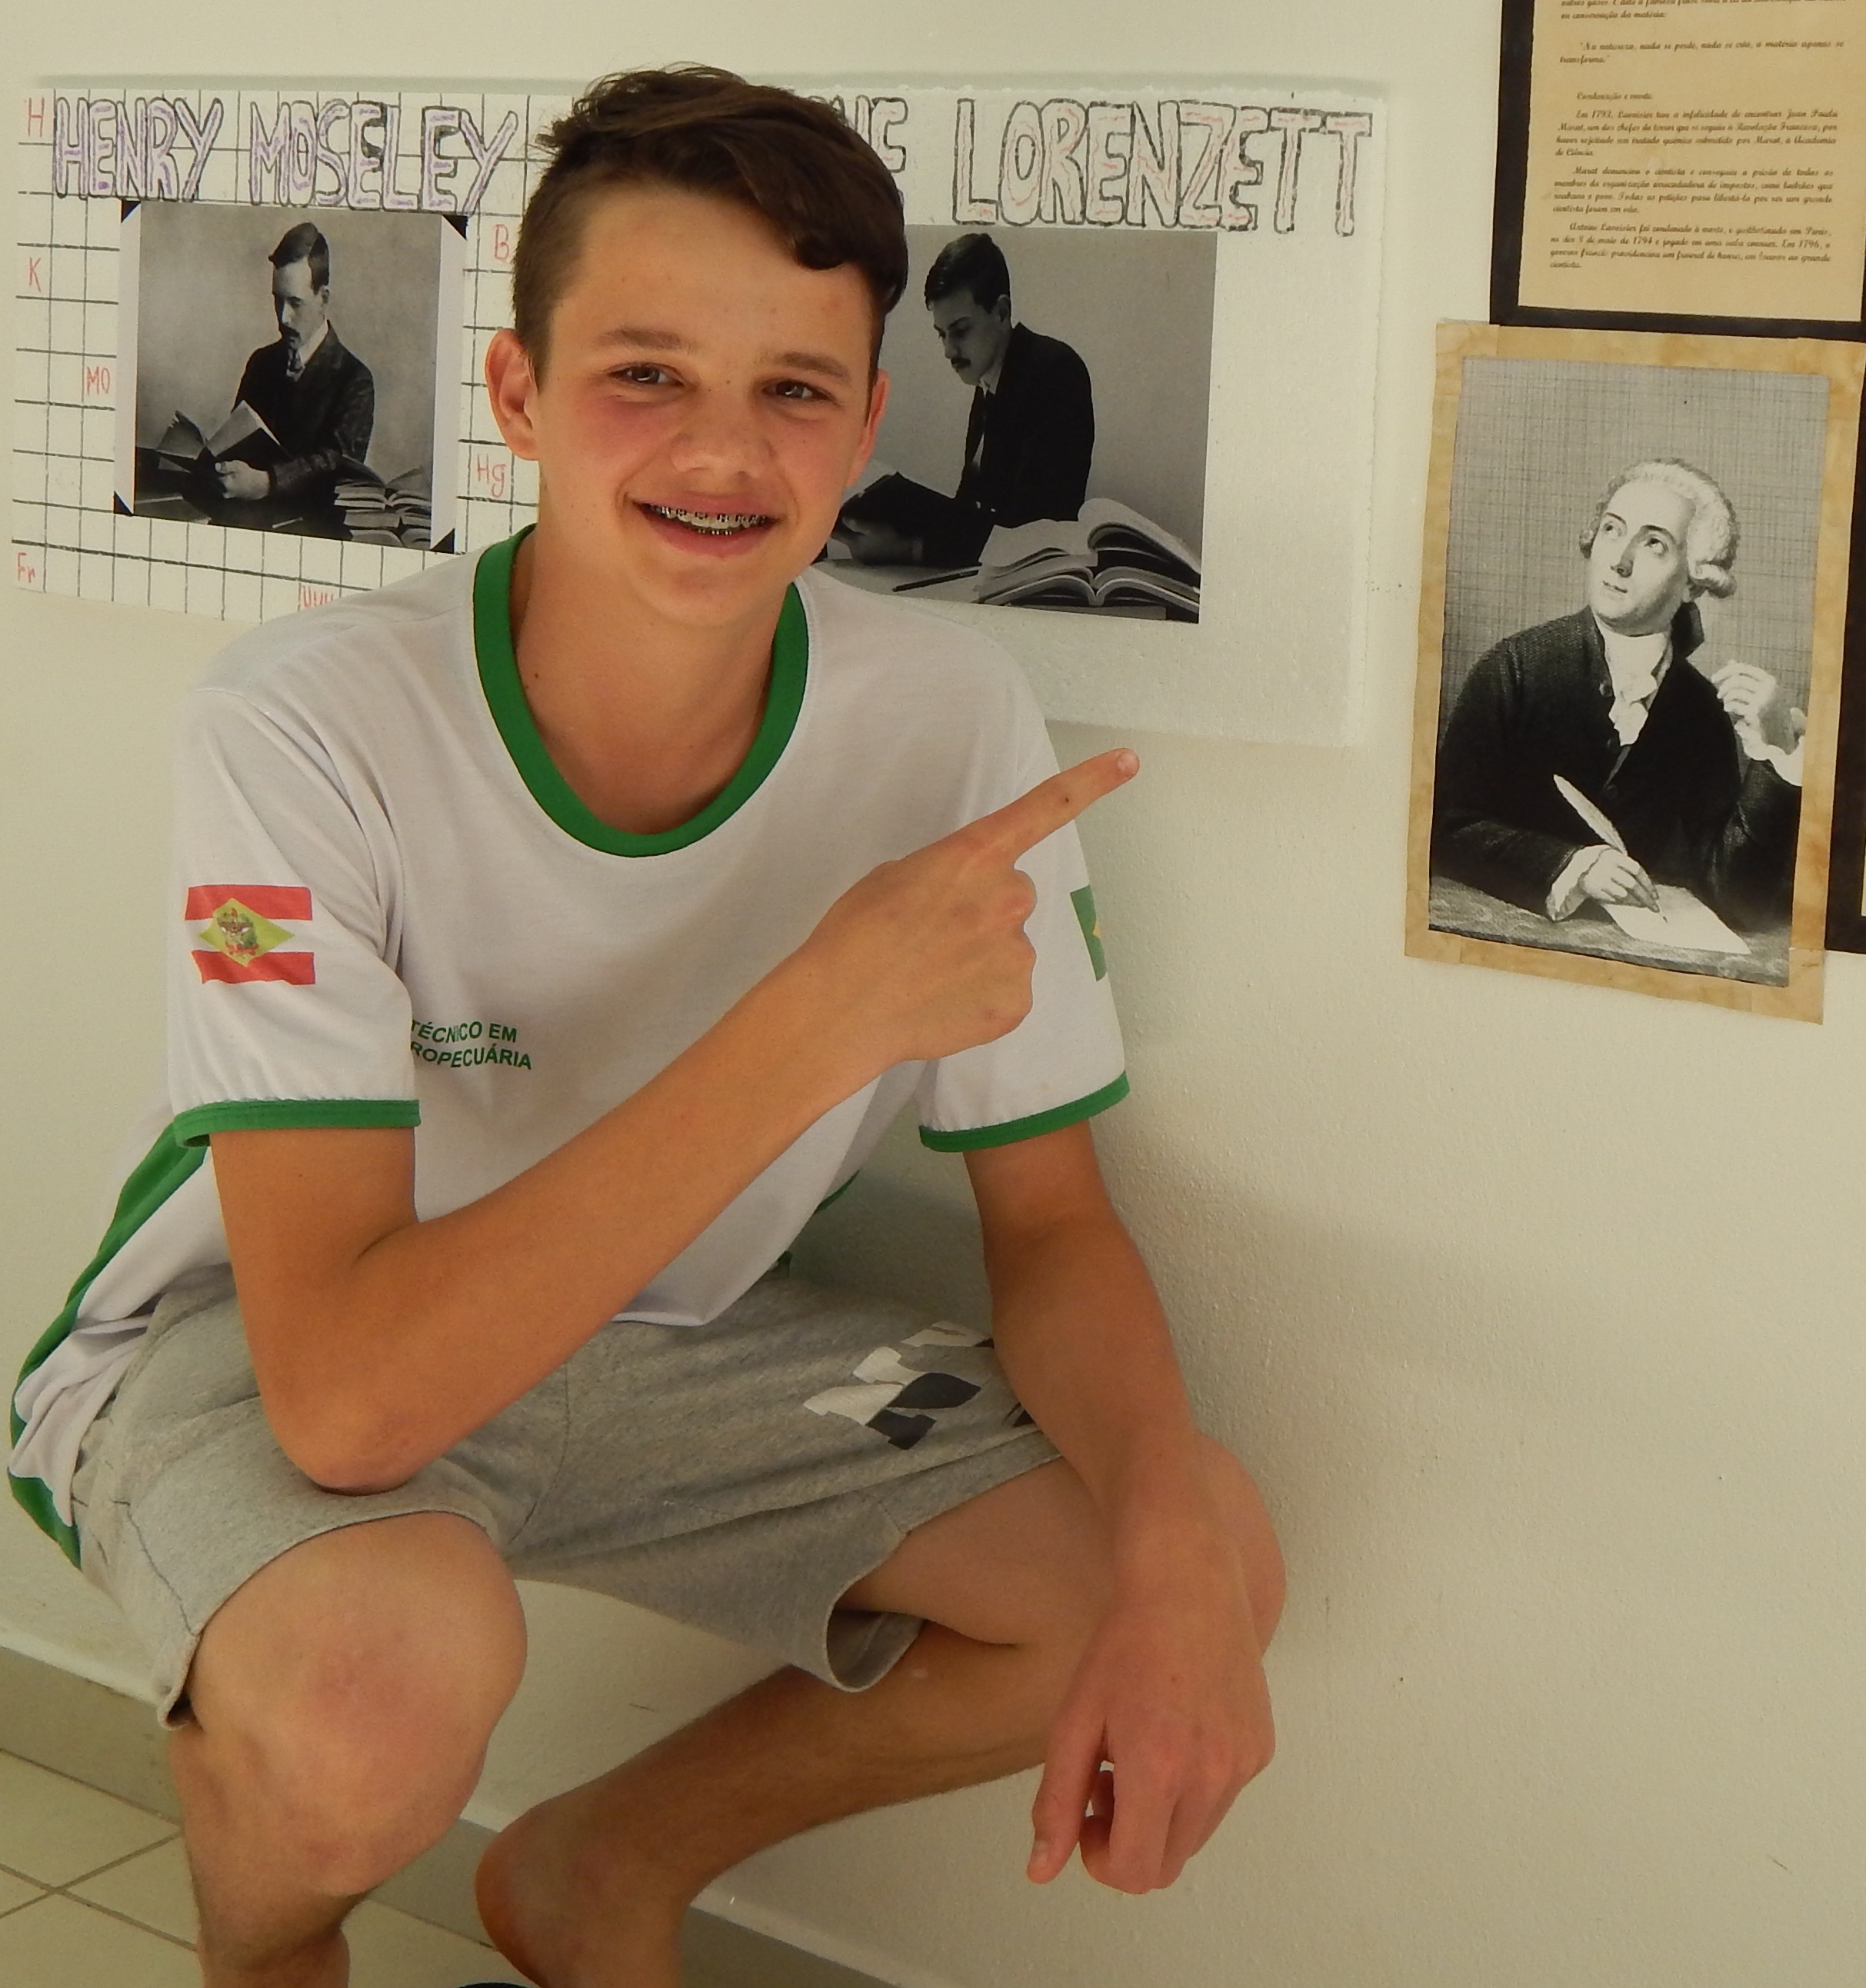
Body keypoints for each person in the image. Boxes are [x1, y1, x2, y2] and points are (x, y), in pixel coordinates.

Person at [8, 65, 1280, 1988]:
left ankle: (607, 1864)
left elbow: (1054, 1220)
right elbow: (346, 1400)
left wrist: (1177, 1536)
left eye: (794, 388)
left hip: (659, 1339)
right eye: (645, 374)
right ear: (517, 393)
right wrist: (820, 1014)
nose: (723, 448)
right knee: (370, 1688)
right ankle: (270, 1954)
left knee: (1188, 1553)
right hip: (263, 1342)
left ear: (867, 420)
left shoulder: (947, 716)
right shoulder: (301, 718)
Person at [1431, 459, 1802, 936]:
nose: (1619, 561)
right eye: (1612, 529)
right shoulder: (1516, 668)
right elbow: (1445, 828)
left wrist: (1777, 753)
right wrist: (1573, 865)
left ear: (1693, 581)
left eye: (1654, 543)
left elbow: (1736, 898)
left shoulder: (1700, 711)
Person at [838, 231, 1095, 568]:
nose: (949, 350)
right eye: (942, 334)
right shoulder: (991, 379)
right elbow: (973, 508)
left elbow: (1031, 529)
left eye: (960, 331)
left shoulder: (1054, 371)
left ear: (1001, 311)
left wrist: (909, 549)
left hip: (1037, 579)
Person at [213, 221, 378, 521]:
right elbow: (236, 442)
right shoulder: (260, 363)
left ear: (323, 299)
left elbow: (337, 465)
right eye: (277, 300)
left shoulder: (355, 380)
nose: (283, 318)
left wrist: (267, 482)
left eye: (295, 303)